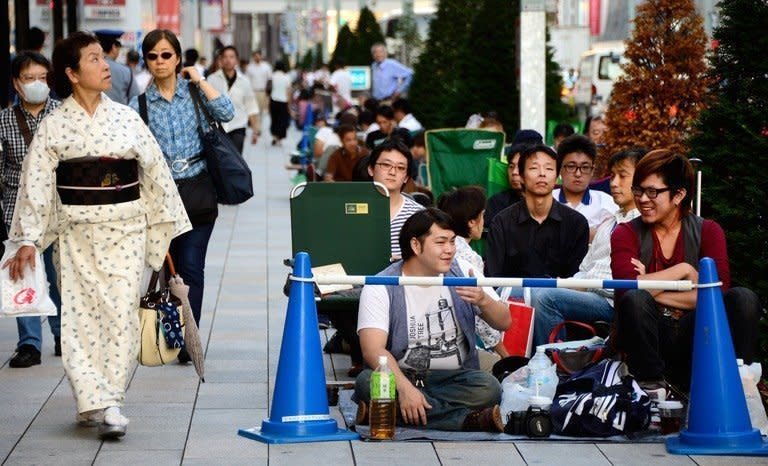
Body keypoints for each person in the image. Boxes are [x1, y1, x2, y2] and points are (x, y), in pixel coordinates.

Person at [4, 31, 190, 439]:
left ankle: (110, 400)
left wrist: (161, 229)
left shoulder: (126, 117)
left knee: (121, 315)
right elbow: (35, 185)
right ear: (71, 73)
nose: (105, 65)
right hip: (76, 236)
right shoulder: (54, 126)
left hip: (125, 231)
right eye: (93, 59)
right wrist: (27, 240)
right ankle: (92, 398)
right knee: (78, 320)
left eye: (103, 59)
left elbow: (156, 173)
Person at [611, 149, 761, 394]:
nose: (643, 199)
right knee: (636, 300)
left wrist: (651, 287)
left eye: (653, 192)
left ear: (679, 194)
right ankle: (651, 389)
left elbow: (717, 293)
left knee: (743, 299)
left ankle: (739, 384)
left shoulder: (709, 231)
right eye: (638, 190)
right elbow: (627, 290)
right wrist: (685, 271)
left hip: (697, 332)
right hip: (649, 335)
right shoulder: (625, 232)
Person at [354, 208, 510, 432]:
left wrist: (483, 300)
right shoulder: (382, 284)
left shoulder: (463, 271)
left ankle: (387, 412)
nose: (449, 250)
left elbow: (504, 322)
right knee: (367, 382)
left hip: (455, 378)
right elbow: (372, 350)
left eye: (452, 241)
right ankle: (465, 420)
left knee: (490, 388)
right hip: (402, 373)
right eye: (441, 242)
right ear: (416, 245)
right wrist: (406, 389)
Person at [128, 29, 234, 352]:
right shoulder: (140, 103)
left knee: (191, 267)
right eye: (153, 56)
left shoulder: (195, 92)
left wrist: (200, 79)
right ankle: (173, 333)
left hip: (199, 189)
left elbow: (228, 112)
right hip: (160, 197)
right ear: (146, 61)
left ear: (177, 58)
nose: (160, 62)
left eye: (166, 55)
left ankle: (190, 338)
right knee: (168, 269)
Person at [528, 148, 645, 346]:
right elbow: (584, 271)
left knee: (545, 297)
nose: (614, 183)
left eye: (622, 176)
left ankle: (553, 364)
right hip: (587, 290)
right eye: (613, 176)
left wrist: (568, 286)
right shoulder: (609, 223)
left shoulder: (643, 224)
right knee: (513, 290)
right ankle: (512, 361)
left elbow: (620, 281)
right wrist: (562, 283)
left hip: (611, 300)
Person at [0, 51, 62, 368]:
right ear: (16, 83)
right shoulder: (4, 121)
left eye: (42, 78)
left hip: (58, 210)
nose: (37, 84)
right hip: (16, 210)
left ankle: (63, 335)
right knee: (23, 275)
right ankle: (29, 344)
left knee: (60, 276)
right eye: (29, 78)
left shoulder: (63, 114)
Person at [485, 144, 589, 279]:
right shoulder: (502, 223)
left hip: (561, 298)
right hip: (511, 297)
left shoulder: (576, 223)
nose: (542, 173)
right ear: (521, 176)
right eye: (534, 168)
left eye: (549, 168)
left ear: (557, 176)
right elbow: (493, 276)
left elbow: (578, 279)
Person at [437, 187, 508, 363]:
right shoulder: (468, 258)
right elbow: (480, 317)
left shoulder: (443, 249)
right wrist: (505, 355)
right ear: (471, 222)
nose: (484, 221)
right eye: (483, 215)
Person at [367, 139, 424, 260]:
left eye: (400, 168)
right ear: (371, 169)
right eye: (386, 165)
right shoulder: (349, 208)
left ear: (406, 177)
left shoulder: (419, 215)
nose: (392, 172)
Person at [553, 134, 618, 237]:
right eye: (571, 166)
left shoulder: (606, 204)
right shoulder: (547, 201)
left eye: (585, 167)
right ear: (560, 169)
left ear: (592, 170)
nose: (578, 174)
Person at [206, 45, 260, 153]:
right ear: (220, 60)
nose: (228, 60)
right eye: (225, 57)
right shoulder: (212, 79)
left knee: (236, 162)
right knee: (220, 163)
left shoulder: (244, 81)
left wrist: (255, 131)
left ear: (236, 60)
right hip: (217, 128)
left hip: (238, 126)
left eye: (231, 57)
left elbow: (251, 106)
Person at [94, 30, 140, 105]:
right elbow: (135, 99)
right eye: (119, 48)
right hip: (121, 115)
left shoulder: (89, 68)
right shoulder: (125, 71)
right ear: (114, 47)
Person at [245, 50, 272, 131]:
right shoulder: (250, 67)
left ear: (261, 56)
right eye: (255, 56)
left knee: (261, 111)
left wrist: (268, 91)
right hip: (252, 91)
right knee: (253, 110)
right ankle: (255, 127)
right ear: (253, 57)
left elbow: (270, 79)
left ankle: (258, 127)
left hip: (262, 91)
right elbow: (247, 80)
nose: (257, 57)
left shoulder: (266, 66)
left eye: (258, 55)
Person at [269, 60, 291, 146]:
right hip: (283, 101)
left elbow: (269, 90)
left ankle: (274, 136)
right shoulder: (287, 77)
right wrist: (289, 104)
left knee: (274, 119)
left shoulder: (272, 76)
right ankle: (279, 139)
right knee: (282, 121)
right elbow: (288, 91)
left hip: (273, 100)